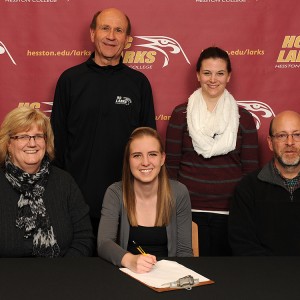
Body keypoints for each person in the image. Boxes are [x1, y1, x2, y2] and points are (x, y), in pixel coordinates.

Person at [50, 8, 156, 235]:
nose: (111, 36)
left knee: (122, 268)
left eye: (119, 30)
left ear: (127, 40)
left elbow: (149, 146)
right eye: (105, 28)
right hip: (75, 203)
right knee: (77, 269)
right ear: (92, 33)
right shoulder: (70, 80)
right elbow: (56, 144)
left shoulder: (139, 84)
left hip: (126, 203)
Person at [165, 46, 259, 256]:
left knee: (224, 278)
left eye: (220, 73)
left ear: (229, 77)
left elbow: (250, 172)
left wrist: (241, 210)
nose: (213, 79)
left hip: (230, 213)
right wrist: (177, 208)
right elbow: (171, 167)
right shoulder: (181, 114)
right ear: (198, 75)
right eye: (207, 73)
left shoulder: (243, 118)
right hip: (188, 212)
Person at [0, 106, 94, 257]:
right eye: (23, 136)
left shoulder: (64, 182)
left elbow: (84, 238)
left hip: (60, 275)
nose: (32, 143)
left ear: (46, 141)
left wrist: (63, 272)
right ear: (9, 144)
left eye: (38, 136)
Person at [97, 127, 193, 273]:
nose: (145, 162)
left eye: (152, 154)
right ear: (128, 160)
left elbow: (184, 252)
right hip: (128, 274)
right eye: (137, 156)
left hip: (168, 279)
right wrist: (130, 260)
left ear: (162, 158)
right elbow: (103, 243)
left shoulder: (179, 193)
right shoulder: (115, 193)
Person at [229, 110, 300, 255]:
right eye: (281, 135)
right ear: (270, 143)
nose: (290, 142)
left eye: (297, 135)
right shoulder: (248, 188)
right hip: (264, 273)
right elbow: (242, 244)